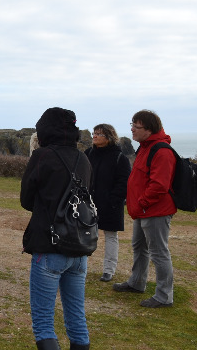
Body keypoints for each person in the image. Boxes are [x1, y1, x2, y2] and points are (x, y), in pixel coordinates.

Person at [20, 107, 91, 350]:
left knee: (43, 323)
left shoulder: (42, 156)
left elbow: (26, 200)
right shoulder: (83, 159)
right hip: (79, 247)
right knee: (77, 318)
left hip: (49, 246)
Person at [112, 109, 176, 308]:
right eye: (132, 125)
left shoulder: (161, 151)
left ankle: (164, 296)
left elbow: (159, 186)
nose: (132, 129)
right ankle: (137, 282)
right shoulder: (144, 147)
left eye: (136, 126)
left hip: (155, 210)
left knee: (158, 252)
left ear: (149, 129)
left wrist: (141, 202)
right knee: (139, 247)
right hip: (143, 210)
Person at [84, 124, 130, 282]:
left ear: (109, 137)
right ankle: (81, 266)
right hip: (88, 203)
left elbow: (124, 182)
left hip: (110, 205)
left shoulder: (119, 158)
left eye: (99, 134)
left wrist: (113, 200)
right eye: (94, 133)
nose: (95, 136)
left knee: (111, 236)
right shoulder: (88, 154)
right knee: (85, 234)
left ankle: (109, 270)